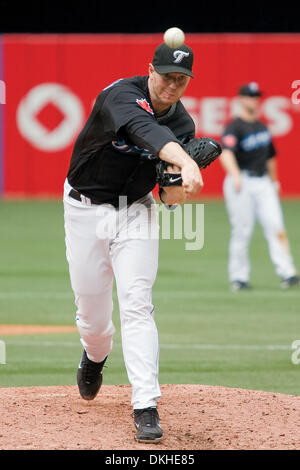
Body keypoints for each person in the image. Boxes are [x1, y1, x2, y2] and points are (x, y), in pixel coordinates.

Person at [63, 42, 203, 443]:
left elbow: (168, 198)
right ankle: (94, 355)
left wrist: (178, 185)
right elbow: (145, 130)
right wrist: (186, 161)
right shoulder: (121, 95)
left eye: (181, 79)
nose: (172, 85)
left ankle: (146, 405)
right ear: (150, 71)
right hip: (85, 207)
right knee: (92, 314)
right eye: (166, 76)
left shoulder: (183, 127)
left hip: (135, 210)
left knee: (137, 301)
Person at [220, 82, 300, 291]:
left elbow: (270, 157)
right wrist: (235, 175)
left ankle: (288, 273)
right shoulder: (234, 126)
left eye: (256, 97)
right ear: (241, 99)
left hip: (263, 182)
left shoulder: (263, 127)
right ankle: (239, 277)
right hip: (242, 181)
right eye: (250, 96)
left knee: (276, 226)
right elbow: (226, 152)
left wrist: (274, 181)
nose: (254, 100)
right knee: (242, 230)